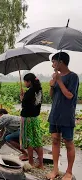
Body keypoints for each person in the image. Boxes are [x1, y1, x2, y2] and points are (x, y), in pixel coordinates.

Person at [46, 52, 79, 180]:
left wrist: (59, 81)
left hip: (66, 115)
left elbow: (70, 95)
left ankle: (69, 172)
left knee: (68, 142)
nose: (52, 65)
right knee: (55, 140)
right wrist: (52, 85)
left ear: (61, 62)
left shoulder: (73, 77)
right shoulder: (56, 77)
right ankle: (55, 170)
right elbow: (51, 96)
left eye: (54, 62)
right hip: (55, 114)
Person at [20, 73, 44, 169]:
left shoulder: (29, 92)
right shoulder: (39, 90)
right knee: (38, 140)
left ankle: (31, 162)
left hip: (28, 119)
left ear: (29, 81)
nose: (24, 83)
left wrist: (22, 98)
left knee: (29, 141)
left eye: (25, 82)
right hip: (35, 119)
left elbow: (25, 106)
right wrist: (24, 97)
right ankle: (41, 164)